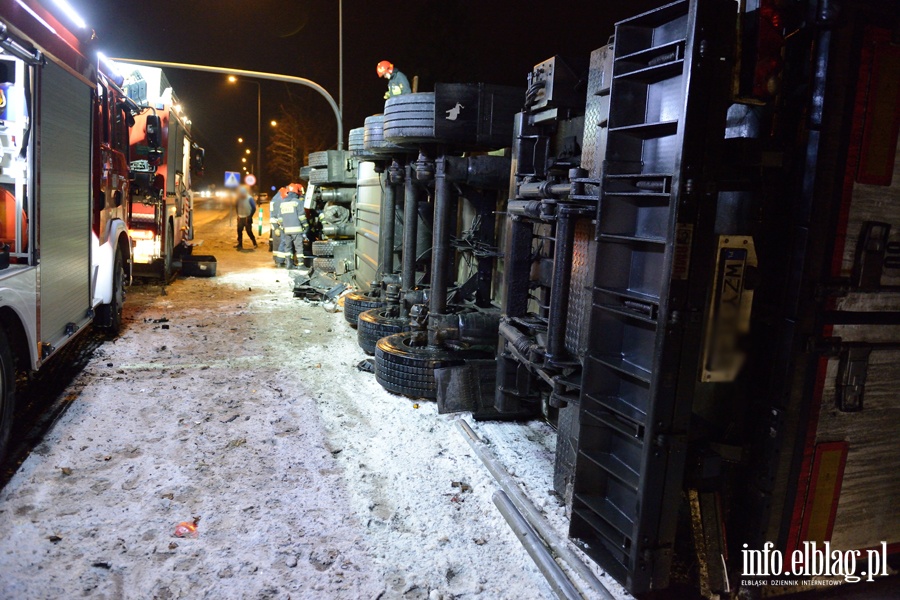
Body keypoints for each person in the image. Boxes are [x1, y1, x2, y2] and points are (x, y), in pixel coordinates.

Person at [277, 183, 309, 268]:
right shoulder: (297, 202)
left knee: (288, 247)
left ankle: (288, 264)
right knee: (299, 247)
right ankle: (301, 265)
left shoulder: (283, 203)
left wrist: (283, 226)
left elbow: (279, 218)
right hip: (297, 230)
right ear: (296, 193)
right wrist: (306, 226)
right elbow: (301, 216)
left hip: (286, 230)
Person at [234, 185, 257, 250]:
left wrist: (250, 216)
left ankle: (254, 243)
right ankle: (240, 244)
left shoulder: (250, 198)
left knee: (249, 231)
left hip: (247, 218)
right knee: (239, 231)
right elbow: (236, 206)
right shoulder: (238, 198)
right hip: (240, 218)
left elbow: (254, 208)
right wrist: (238, 215)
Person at [270, 187, 287, 266]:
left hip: (275, 223)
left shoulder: (275, 198)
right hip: (277, 223)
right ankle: (279, 260)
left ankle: (277, 259)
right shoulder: (279, 199)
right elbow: (277, 213)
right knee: (279, 241)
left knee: (277, 241)